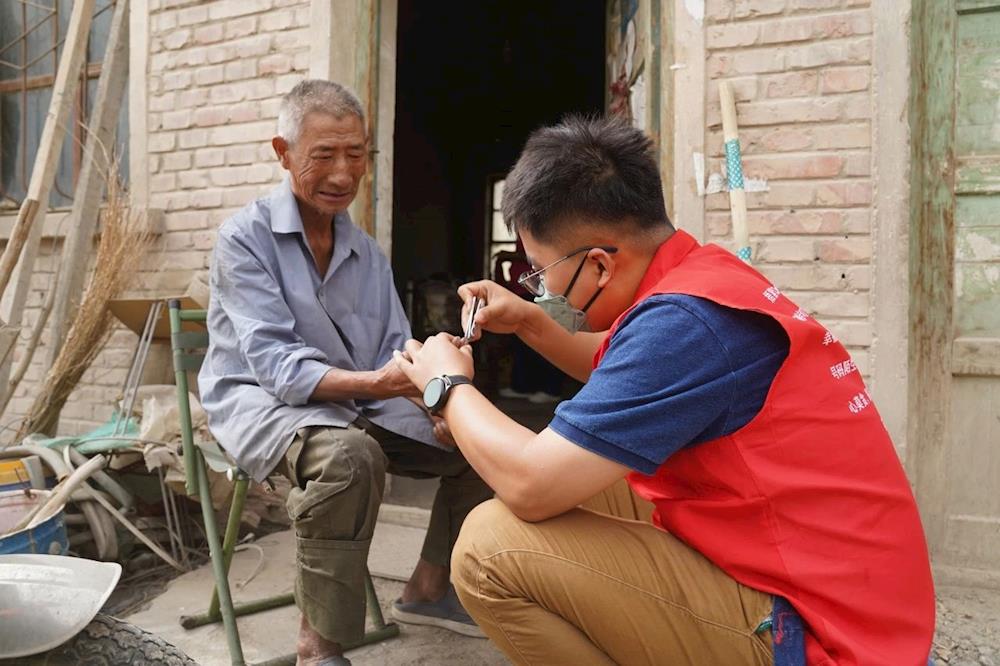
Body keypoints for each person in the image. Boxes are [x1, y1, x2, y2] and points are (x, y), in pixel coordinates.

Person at [393, 115, 935, 665]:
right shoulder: (700, 278)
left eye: (539, 273)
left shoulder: (683, 324)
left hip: (823, 636)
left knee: (491, 546)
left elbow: (531, 485)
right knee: (588, 473)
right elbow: (620, 369)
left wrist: (447, 384)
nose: (539, 290)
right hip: (848, 593)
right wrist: (531, 322)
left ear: (601, 265)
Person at [199, 79, 492, 665]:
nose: (342, 175)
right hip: (264, 406)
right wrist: (386, 385)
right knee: (349, 457)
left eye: (355, 155)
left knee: (482, 437)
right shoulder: (243, 239)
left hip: (354, 404)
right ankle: (320, 649)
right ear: (282, 153)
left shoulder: (365, 251)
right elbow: (280, 370)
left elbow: (390, 348)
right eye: (323, 156)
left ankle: (429, 589)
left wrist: (436, 399)